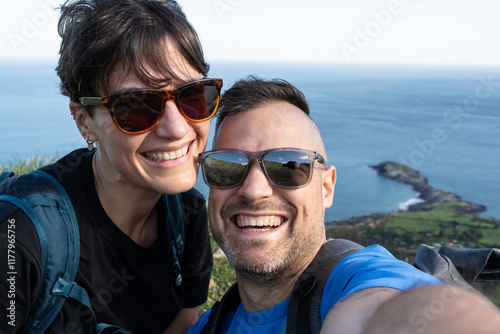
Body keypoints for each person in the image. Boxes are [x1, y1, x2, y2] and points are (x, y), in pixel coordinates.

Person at [188, 77, 500, 334]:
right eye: (226, 166)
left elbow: (403, 311)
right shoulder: (209, 327)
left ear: (326, 188)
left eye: (288, 166)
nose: (253, 191)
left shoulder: (358, 279)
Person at [0, 0, 219, 333]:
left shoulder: (187, 213)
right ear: (83, 121)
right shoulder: (18, 238)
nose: (176, 128)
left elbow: (185, 318)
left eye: (192, 95)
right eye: (136, 106)